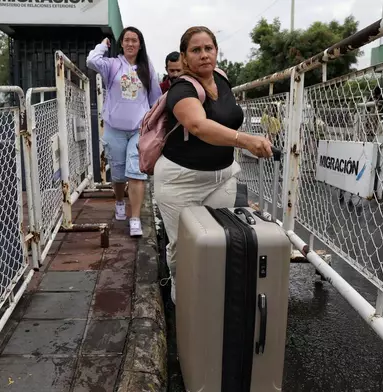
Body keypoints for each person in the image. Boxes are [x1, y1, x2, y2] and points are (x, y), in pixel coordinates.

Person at [153, 26, 273, 304]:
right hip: (180, 182)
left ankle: (213, 307)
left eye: (209, 48)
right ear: (184, 58)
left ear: (216, 51)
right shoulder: (181, 88)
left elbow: (228, 116)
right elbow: (197, 125)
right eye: (196, 50)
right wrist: (245, 140)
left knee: (221, 242)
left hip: (222, 177)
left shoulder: (222, 78)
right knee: (183, 248)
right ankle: (183, 307)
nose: (204, 55)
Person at [87, 27, 161, 237]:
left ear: (140, 44)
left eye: (134, 40)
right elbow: (92, 61)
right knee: (119, 175)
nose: (130, 44)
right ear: (121, 43)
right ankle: (120, 201)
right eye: (126, 40)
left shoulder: (147, 68)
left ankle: (135, 218)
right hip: (114, 129)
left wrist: (153, 125)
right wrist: (103, 45)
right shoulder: (112, 65)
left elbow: (155, 98)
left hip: (139, 129)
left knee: (136, 174)